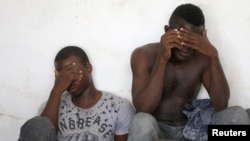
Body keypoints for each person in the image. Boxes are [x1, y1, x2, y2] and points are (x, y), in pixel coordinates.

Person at [128, 3, 250, 141]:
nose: (186, 47)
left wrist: (213, 56)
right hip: (157, 130)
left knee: (237, 115)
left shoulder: (203, 58)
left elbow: (221, 105)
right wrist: (162, 58)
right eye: (181, 38)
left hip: (194, 129)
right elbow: (143, 108)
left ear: (203, 36)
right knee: (141, 121)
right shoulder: (143, 55)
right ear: (168, 31)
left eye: (193, 40)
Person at [18, 46, 135, 141]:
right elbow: (41, 134)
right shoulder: (50, 106)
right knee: (39, 123)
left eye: (72, 72)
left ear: (88, 68)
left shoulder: (118, 106)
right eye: (63, 76)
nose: (68, 80)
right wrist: (56, 91)